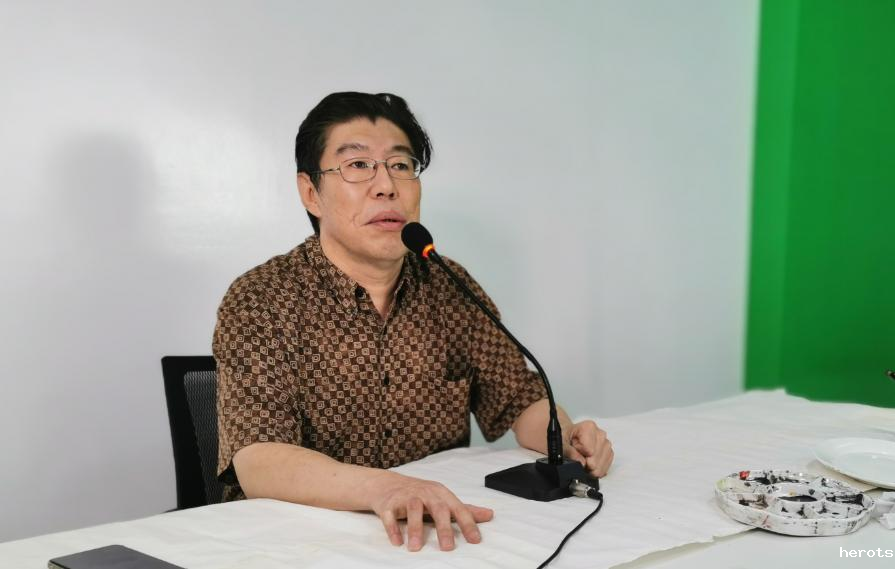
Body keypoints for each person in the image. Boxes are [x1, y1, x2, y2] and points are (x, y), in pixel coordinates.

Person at [212, 92, 614, 552]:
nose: (386, 186)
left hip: (430, 537)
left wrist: (566, 438)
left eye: (401, 165)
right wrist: (386, 488)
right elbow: (258, 459)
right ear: (310, 193)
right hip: (295, 542)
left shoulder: (449, 285)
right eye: (358, 165)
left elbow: (518, 400)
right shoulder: (263, 297)